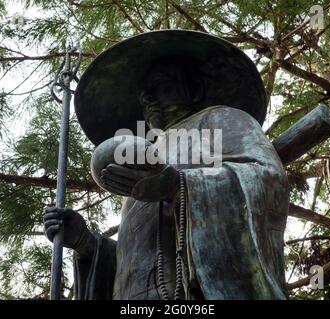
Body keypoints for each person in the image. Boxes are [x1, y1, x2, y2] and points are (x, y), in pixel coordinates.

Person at [44, 30, 289, 300]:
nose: (148, 98)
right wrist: (86, 244)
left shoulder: (221, 120)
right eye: (143, 95)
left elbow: (268, 179)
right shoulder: (147, 155)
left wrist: (179, 186)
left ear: (193, 88)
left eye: (160, 86)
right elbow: (137, 256)